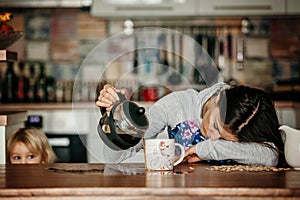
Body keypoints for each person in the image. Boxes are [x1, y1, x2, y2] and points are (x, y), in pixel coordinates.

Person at [96, 82, 286, 167]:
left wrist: (206, 149)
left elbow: (270, 156)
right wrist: (117, 123)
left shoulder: (247, 116)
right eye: (215, 127)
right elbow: (115, 158)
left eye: (223, 139)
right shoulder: (176, 105)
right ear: (218, 98)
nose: (213, 136)